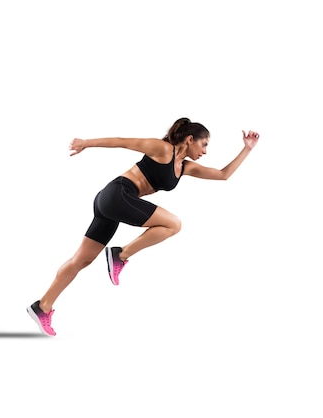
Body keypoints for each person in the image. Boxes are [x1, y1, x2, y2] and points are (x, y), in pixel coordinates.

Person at [27, 117, 259, 336]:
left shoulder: (184, 167)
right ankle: (121, 254)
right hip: (117, 194)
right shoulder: (163, 149)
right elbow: (122, 142)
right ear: (190, 139)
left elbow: (222, 174)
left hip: (112, 203)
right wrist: (85, 143)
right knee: (173, 224)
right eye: (204, 144)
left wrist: (247, 149)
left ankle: (43, 306)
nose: (205, 151)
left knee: (82, 260)